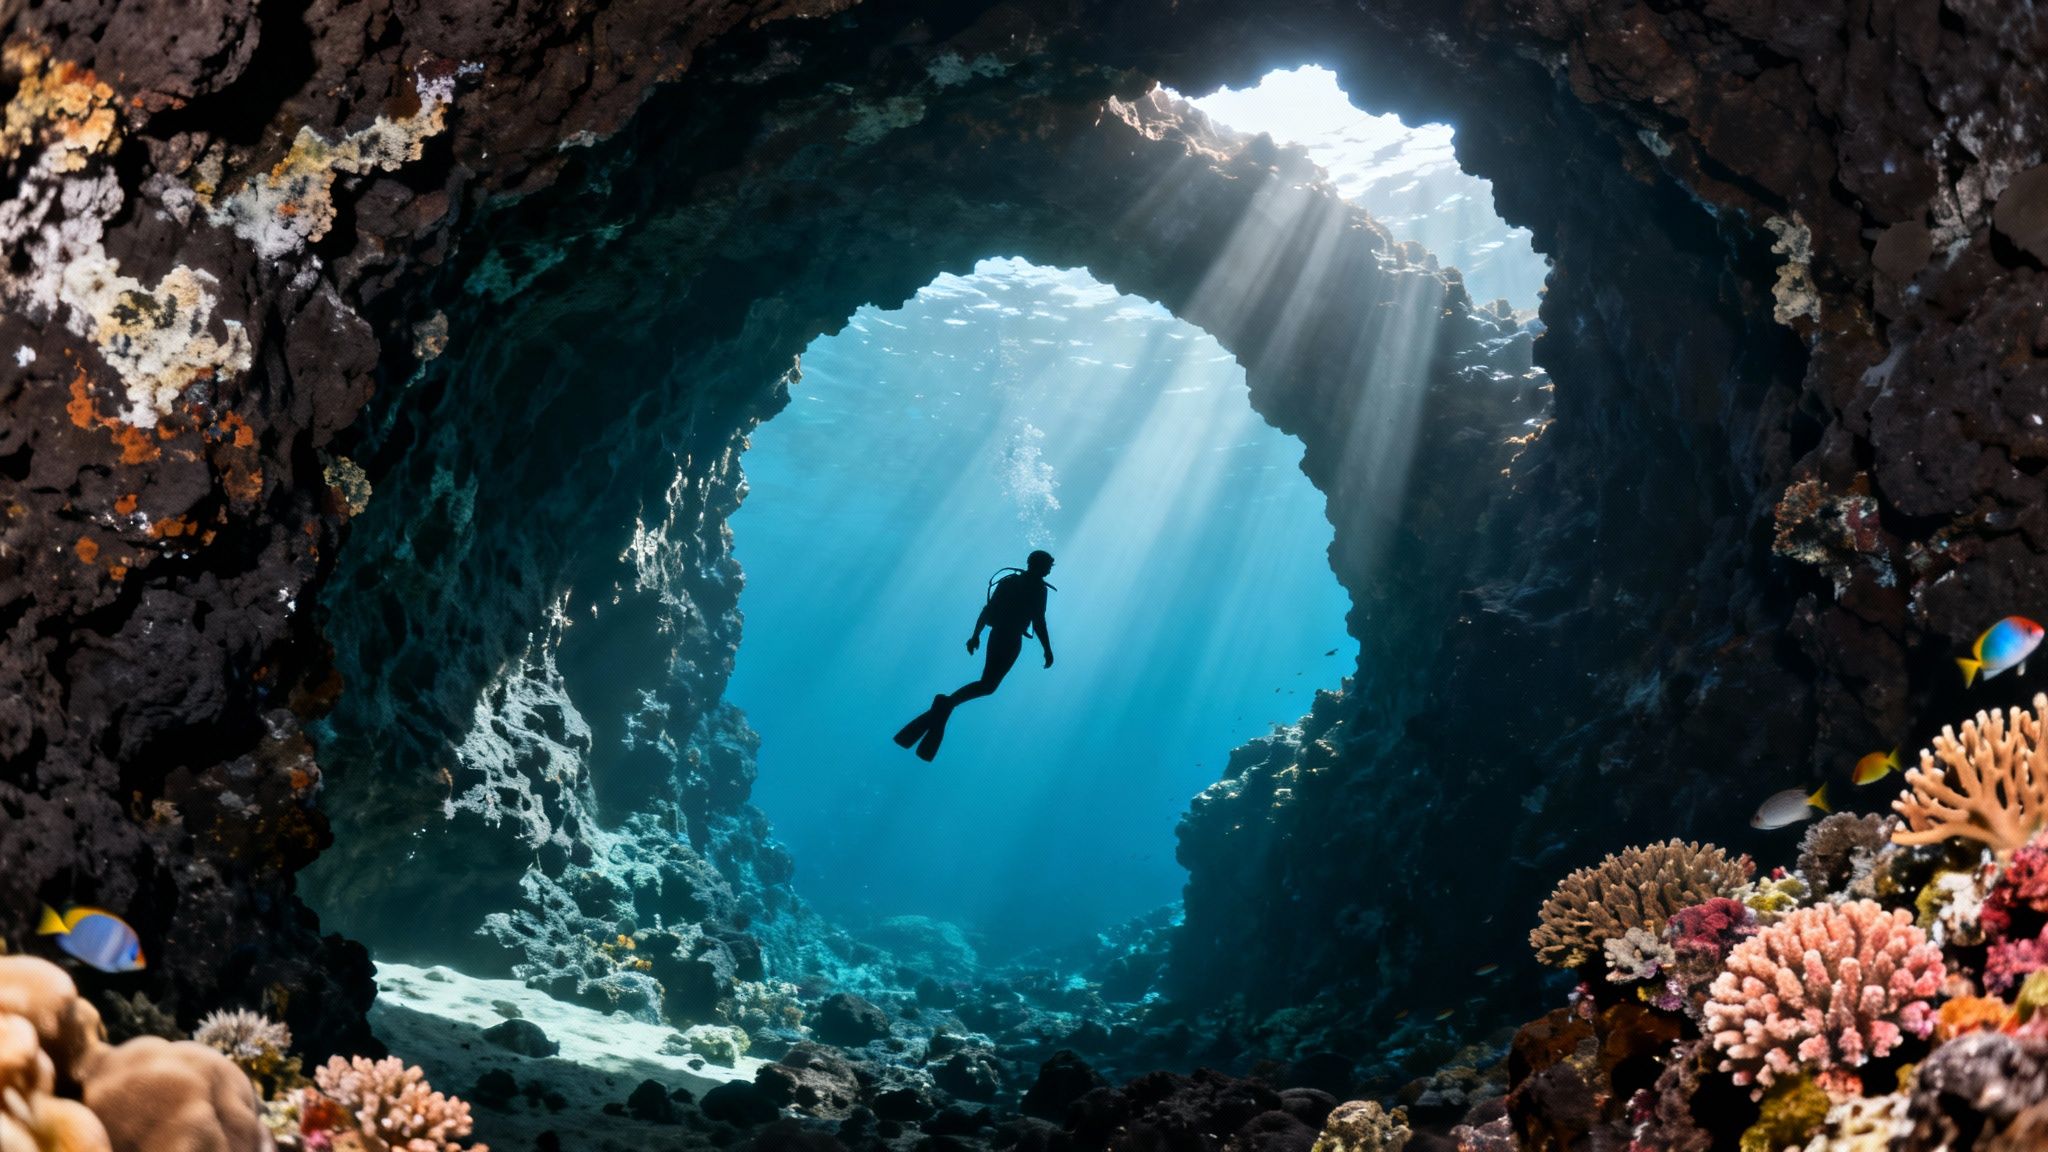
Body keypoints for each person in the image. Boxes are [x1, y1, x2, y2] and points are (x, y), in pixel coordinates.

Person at [894, 550, 1056, 760]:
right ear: (1040, 565)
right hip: (1011, 638)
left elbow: (988, 610)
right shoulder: (1038, 589)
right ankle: (946, 704)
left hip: (997, 635)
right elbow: (1038, 621)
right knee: (988, 686)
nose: (1050, 568)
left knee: (986, 684)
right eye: (1049, 564)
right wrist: (1047, 649)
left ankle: (944, 707)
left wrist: (976, 635)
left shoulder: (1009, 582)